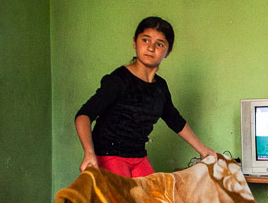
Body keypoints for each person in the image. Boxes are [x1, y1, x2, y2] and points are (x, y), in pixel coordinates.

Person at [75, 16, 216, 178]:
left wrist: (204, 150)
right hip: (109, 154)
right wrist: (89, 152)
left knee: (155, 200)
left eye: (160, 44)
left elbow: (175, 121)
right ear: (135, 42)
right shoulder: (119, 80)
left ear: (168, 52)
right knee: (125, 202)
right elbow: (83, 115)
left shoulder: (160, 87)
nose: (151, 48)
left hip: (138, 156)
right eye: (145, 40)